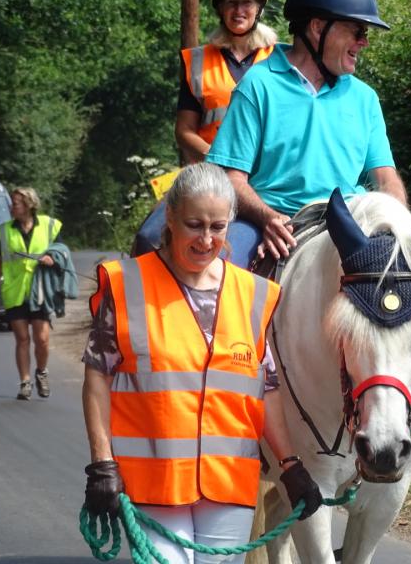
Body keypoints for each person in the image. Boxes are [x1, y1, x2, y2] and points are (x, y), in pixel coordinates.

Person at [206, 0, 411, 464]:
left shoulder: (364, 98)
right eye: (356, 31)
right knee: (226, 274)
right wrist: (265, 219)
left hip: (352, 226)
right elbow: (231, 176)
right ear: (317, 28)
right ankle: (226, 403)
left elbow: (386, 177)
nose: (363, 43)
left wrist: (405, 230)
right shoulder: (259, 86)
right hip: (277, 219)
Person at [81, 164, 322, 564]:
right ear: (171, 218)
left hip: (229, 483)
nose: (206, 239)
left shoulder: (255, 294)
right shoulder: (127, 285)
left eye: (218, 227)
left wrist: (289, 465)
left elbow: (267, 388)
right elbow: (97, 377)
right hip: (152, 485)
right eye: (194, 224)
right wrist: (101, 462)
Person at [132, 0, 277, 264]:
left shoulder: (279, 59)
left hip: (266, 173)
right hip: (210, 172)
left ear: (259, 8)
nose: (239, 10)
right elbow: (184, 130)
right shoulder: (197, 61)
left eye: (246, 3)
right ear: (220, 9)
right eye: (231, 3)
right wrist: (221, 157)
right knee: (149, 237)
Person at [0, 187, 61, 400]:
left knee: (42, 339)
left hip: (40, 290)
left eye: (16, 203)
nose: (12, 207)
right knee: (22, 339)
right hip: (15, 290)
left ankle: (41, 372)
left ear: (29, 205)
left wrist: (52, 258)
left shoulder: (49, 225)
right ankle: (25, 382)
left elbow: (61, 251)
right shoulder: (5, 230)